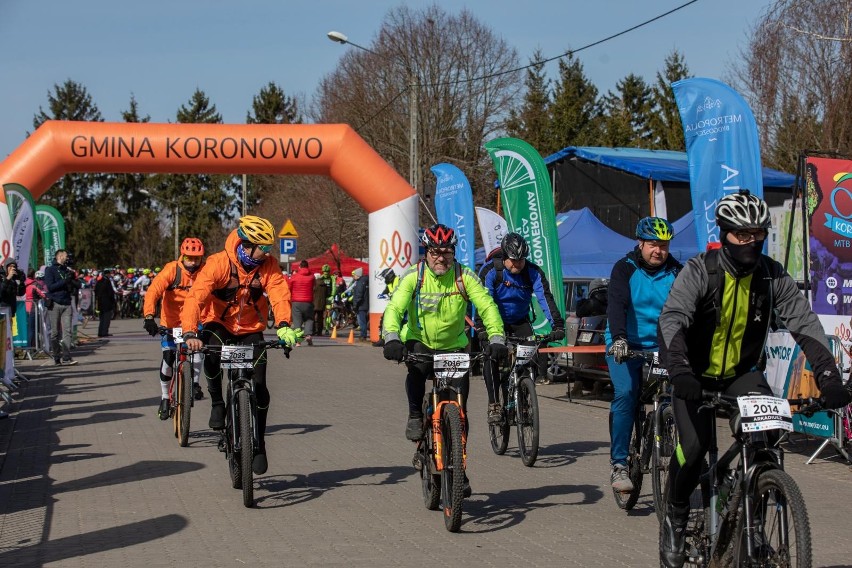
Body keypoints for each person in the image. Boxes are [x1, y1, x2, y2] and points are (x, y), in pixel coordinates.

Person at [656, 190, 851, 568]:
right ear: (725, 233)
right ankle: (675, 517)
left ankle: (756, 514)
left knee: (768, 440)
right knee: (693, 450)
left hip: (742, 375)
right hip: (693, 376)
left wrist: (828, 376)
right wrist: (679, 370)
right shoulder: (700, 271)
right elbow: (672, 319)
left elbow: (804, 324)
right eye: (741, 235)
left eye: (757, 234)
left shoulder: (771, 275)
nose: (751, 242)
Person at [382, 223, 506, 496]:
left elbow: (487, 306)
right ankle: (416, 414)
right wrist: (391, 337)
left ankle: (458, 467)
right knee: (416, 371)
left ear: (454, 253)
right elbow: (394, 307)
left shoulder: (465, 276)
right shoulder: (414, 277)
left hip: (455, 346)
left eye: (447, 253)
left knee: (459, 412)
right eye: (435, 252)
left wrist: (497, 337)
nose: (441, 258)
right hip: (420, 342)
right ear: (426, 252)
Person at [181, 216, 301, 476]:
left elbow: (280, 293)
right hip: (218, 324)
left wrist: (283, 325)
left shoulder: (268, 266)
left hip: (250, 329)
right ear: (246, 245)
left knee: (260, 385)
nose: (268, 253)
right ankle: (216, 402)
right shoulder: (218, 263)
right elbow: (195, 298)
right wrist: (191, 331)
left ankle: (259, 444)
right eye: (264, 247)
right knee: (209, 354)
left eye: (270, 248)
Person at [605, 217, 681, 493]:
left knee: (680, 395)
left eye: (663, 245)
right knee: (626, 393)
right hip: (624, 342)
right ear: (640, 243)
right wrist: (620, 338)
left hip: (662, 346)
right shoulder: (625, 268)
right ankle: (620, 464)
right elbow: (617, 303)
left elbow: (687, 310)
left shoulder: (677, 272)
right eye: (652, 245)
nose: (658, 251)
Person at [478, 232, 565, 423]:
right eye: (513, 261)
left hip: (519, 321)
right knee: (490, 356)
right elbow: (483, 301)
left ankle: (524, 398)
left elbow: (545, 299)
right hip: (494, 322)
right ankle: (494, 404)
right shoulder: (491, 271)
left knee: (529, 356)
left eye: (521, 260)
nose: (517, 264)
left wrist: (557, 325)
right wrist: (482, 328)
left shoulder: (533, 272)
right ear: (504, 257)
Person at [143, 237, 207, 419]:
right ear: (182, 255)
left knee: (197, 350)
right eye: (189, 258)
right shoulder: (172, 269)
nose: (193, 262)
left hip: (195, 320)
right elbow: (153, 291)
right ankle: (164, 397)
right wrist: (149, 317)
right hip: (170, 322)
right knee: (169, 356)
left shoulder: (204, 271)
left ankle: (194, 383)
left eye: (197, 258)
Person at [43, 250, 79, 366]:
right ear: (59, 256)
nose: (67, 258)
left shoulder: (66, 269)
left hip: (67, 303)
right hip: (55, 303)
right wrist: (65, 281)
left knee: (67, 331)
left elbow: (77, 284)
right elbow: (50, 287)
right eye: (66, 256)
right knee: (55, 332)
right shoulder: (50, 270)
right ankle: (57, 356)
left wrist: (72, 279)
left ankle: (67, 357)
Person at [288, 259, 316, 345]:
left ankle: (298, 342)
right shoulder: (312, 276)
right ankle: (308, 335)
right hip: (308, 301)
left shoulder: (295, 276)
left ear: (299, 267)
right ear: (308, 267)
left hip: (296, 301)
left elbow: (289, 287)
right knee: (309, 319)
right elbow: (314, 287)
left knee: (297, 320)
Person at [94, 267, 117, 338]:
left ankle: (100, 332)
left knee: (102, 319)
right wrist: (113, 301)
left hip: (100, 302)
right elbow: (110, 292)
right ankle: (104, 332)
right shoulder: (107, 281)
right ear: (108, 274)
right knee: (106, 318)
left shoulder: (99, 281)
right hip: (107, 302)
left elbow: (96, 291)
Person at [313, 264, 333, 336]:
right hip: (322, 303)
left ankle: (313, 331)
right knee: (321, 318)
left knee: (313, 317)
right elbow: (328, 293)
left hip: (314, 303)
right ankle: (320, 331)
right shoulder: (324, 284)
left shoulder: (314, 285)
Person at [351, 267, 369, 340]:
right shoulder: (365, 281)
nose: (353, 276)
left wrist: (355, 305)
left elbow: (359, 295)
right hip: (365, 304)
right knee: (363, 320)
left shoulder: (360, 282)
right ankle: (363, 334)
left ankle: (363, 335)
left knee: (361, 321)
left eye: (354, 275)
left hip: (361, 305)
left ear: (357, 275)